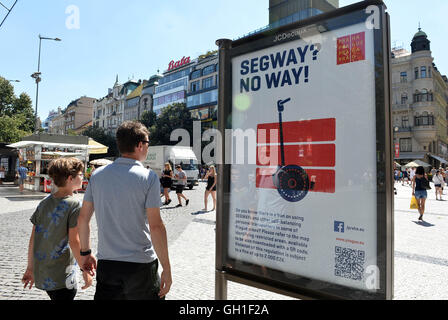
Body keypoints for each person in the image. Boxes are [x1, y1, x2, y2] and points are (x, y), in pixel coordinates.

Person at [77, 121, 172, 300]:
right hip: (140, 264)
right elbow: (156, 226)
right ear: (139, 145)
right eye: (148, 143)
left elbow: (83, 219)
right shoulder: (148, 177)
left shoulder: (97, 175)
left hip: (108, 263)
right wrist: (166, 268)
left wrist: (85, 253)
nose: (148, 148)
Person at [21, 158, 92, 300]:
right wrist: (85, 269)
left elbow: (33, 238)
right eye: (80, 174)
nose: (82, 177)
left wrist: (30, 267)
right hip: (62, 274)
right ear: (70, 178)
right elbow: (74, 241)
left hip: (44, 272)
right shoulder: (74, 205)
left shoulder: (44, 203)